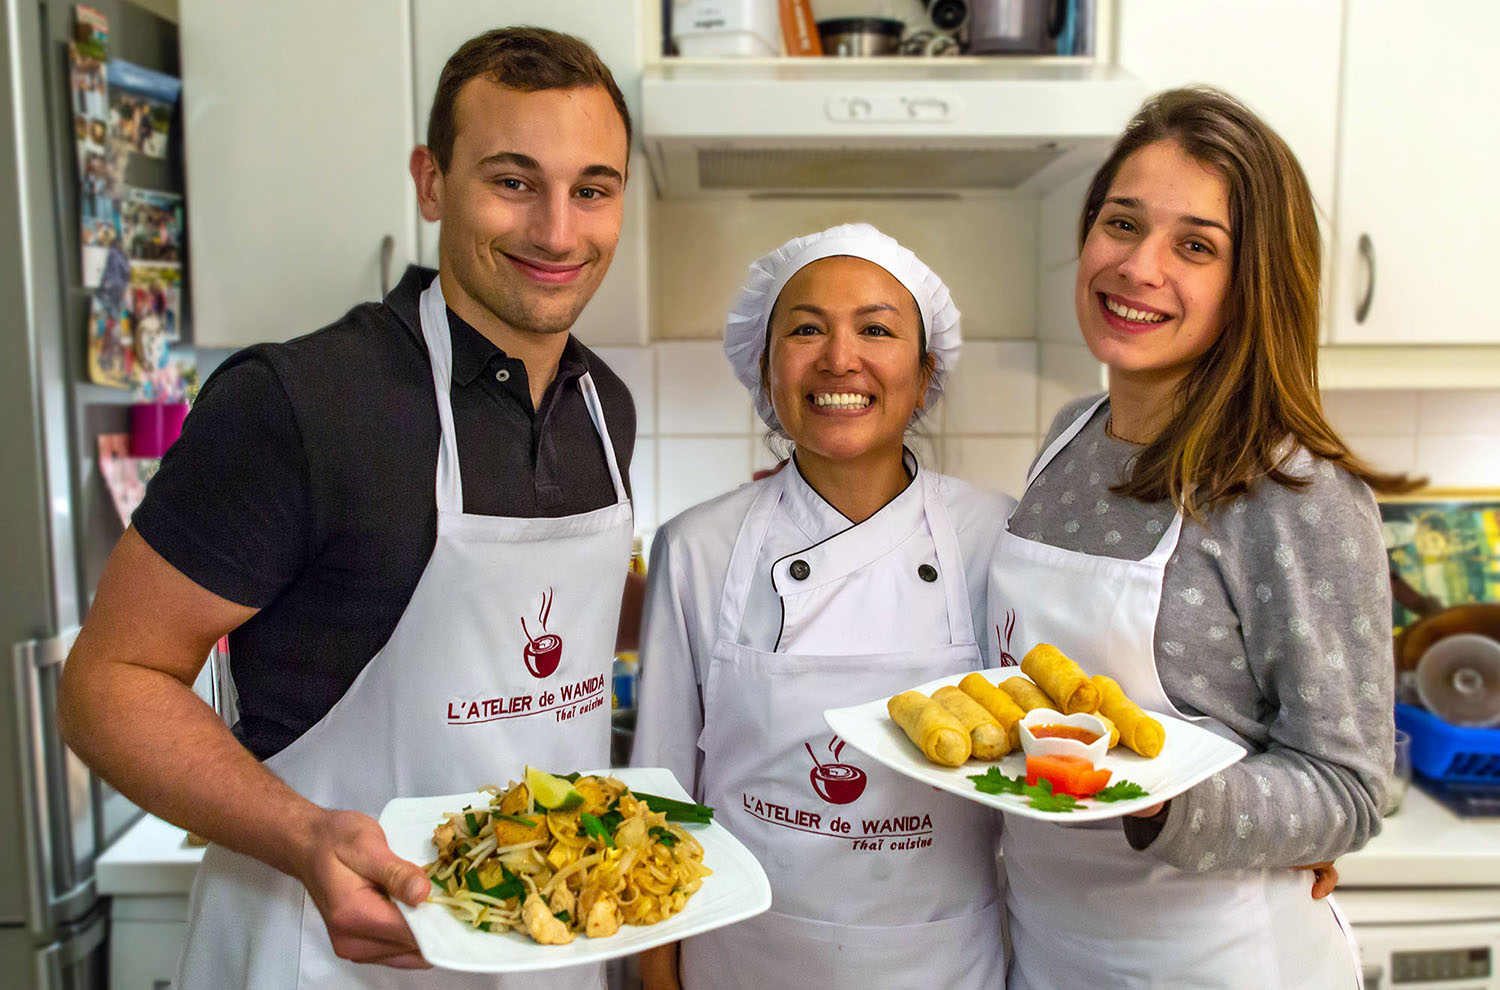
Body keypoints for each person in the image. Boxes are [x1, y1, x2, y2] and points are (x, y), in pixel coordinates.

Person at [59, 27, 639, 990]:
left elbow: (530, 629)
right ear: (430, 183)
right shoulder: (301, 402)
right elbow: (107, 682)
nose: (556, 231)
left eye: (592, 190)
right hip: (322, 953)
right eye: (513, 181)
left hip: (546, 954)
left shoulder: (602, 409)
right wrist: (302, 836)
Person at [986, 87, 1408, 989]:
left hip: (1212, 961)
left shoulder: (1293, 495)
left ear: (1253, 281)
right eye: (1122, 223)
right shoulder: (1069, 436)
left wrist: (1152, 801)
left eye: (1195, 246)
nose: (1138, 267)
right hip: (1052, 950)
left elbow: (1348, 787)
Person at [631, 224, 1011, 990]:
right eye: (806, 329)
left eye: (876, 330)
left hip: (940, 965)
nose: (840, 358)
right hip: (741, 961)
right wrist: (658, 977)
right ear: (765, 368)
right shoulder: (698, 546)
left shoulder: (998, 539)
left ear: (925, 372)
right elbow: (659, 788)